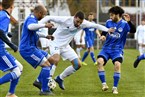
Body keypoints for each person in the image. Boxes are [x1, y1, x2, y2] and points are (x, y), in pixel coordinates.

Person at [35, 11, 114, 91]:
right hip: (55, 42)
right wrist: (38, 24)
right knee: (55, 59)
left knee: (78, 64)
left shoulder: (84, 23)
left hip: (65, 46)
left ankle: (60, 78)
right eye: (77, 21)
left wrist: (107, 30)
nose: (79, 24)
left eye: (80, 22)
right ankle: (43, 81)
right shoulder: (66, 20)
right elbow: (49, 17)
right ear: (75, 17)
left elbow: (96, 25)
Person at [19, 4, 56, 95]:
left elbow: (35, 33)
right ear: (39, 13)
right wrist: (44, 25)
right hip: (27, 49)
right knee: (46, 65)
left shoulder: (34, 19)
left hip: (33, 47)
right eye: (43, 14)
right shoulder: (31, 18)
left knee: (51, 60)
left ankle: (39, 81)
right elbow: (30, 27)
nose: (43, 16)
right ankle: (44, 90)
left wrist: (46, 36)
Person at [96, 6, 130, 94]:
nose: (110, 17)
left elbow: (133, 30)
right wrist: (103, 36)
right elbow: (104, 32)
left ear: (117, 15)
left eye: (112, 15)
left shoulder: (125, 24)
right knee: (99, 61)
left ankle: (115, 88)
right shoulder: (108, 22)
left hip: (117, 50)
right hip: (106, 48)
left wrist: (129, 21)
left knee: (117, 64)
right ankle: (104, 85)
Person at [0, 0, 23, 97]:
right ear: (12, 7)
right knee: (16, 71)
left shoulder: (1, 14)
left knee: (20, 67)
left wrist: (7, 34)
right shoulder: (5, 16)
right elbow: (0, 31)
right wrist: (12, 45)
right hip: (0, 51)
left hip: (2, 49)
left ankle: (11, 94)